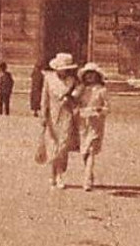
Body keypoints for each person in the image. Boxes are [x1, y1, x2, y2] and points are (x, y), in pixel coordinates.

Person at [38, 52, 81, 190]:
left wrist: (71, 99)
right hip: (52, 115)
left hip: (66, 116)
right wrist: (43, 115)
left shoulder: (72, 81)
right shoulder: (49, 79)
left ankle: (60, 175)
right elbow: (44, 98)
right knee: (52, 146)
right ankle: (52, 174)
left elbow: (78, 98)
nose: (62, 71)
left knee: (63, 147)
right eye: (60, 69)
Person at [76, 62, 109, 192]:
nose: (90, 77)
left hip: (96, 123)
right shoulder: (82, 89)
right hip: (83, 122)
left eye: (92, 74)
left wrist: (100, 110)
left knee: (91, 150)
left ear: (97, 76)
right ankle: (89, 173)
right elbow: (74, 101)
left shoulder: (102, 90)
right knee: (84, 151)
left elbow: (107, 107)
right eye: (87, 74)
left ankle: (87, 179)